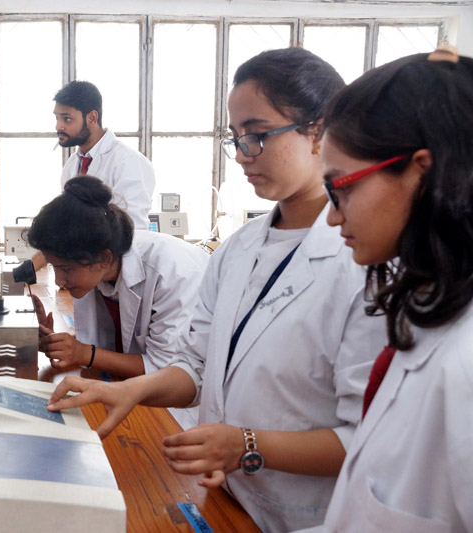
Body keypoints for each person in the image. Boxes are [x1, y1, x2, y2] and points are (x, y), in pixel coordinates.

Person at [46, 48, 386, 532]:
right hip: (227, 494)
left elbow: (371, 439)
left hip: (310, 515)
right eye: (235, 138)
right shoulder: (239, 249)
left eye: (257, 135)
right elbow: (196, 366)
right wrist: (126, 391)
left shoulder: (364, 265)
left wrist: (246, 444)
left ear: (320, 131)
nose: (243, 154)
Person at [305, 45, 473, 531]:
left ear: (422, 171)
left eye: (341, 188)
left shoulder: (465, 363)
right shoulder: (427, 312)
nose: (332, 216)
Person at [28, 176, 207, 380]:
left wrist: (83, 353)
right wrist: (60, 344)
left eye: (67, 269)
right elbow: (109, 343)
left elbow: (165, 369)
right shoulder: (99, 269)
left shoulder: (172, 273)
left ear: (104, 258)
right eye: (54, 267)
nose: (59, 281)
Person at [27, 81, 156, 274]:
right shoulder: (72, 164)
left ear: (92, 117)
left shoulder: (128, 162)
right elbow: (69, 224)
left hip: (118, 274)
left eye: (67, 119)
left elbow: (130, 231)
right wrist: (31, 267)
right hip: (86, 272)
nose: (58, 126)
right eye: (57, 118)